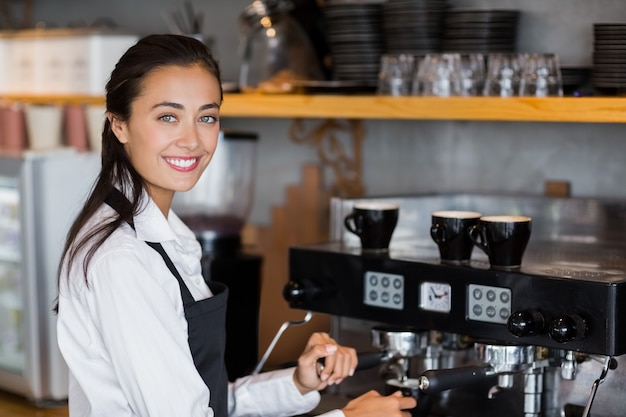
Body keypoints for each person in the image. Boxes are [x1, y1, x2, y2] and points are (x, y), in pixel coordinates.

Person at [55, 34, 417, 417]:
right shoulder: (124, 259)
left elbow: (207, 399)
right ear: (119, 125)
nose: (192, 139)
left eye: (206, 117)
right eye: (168, 117)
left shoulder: (166, 237)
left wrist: (296, 383)